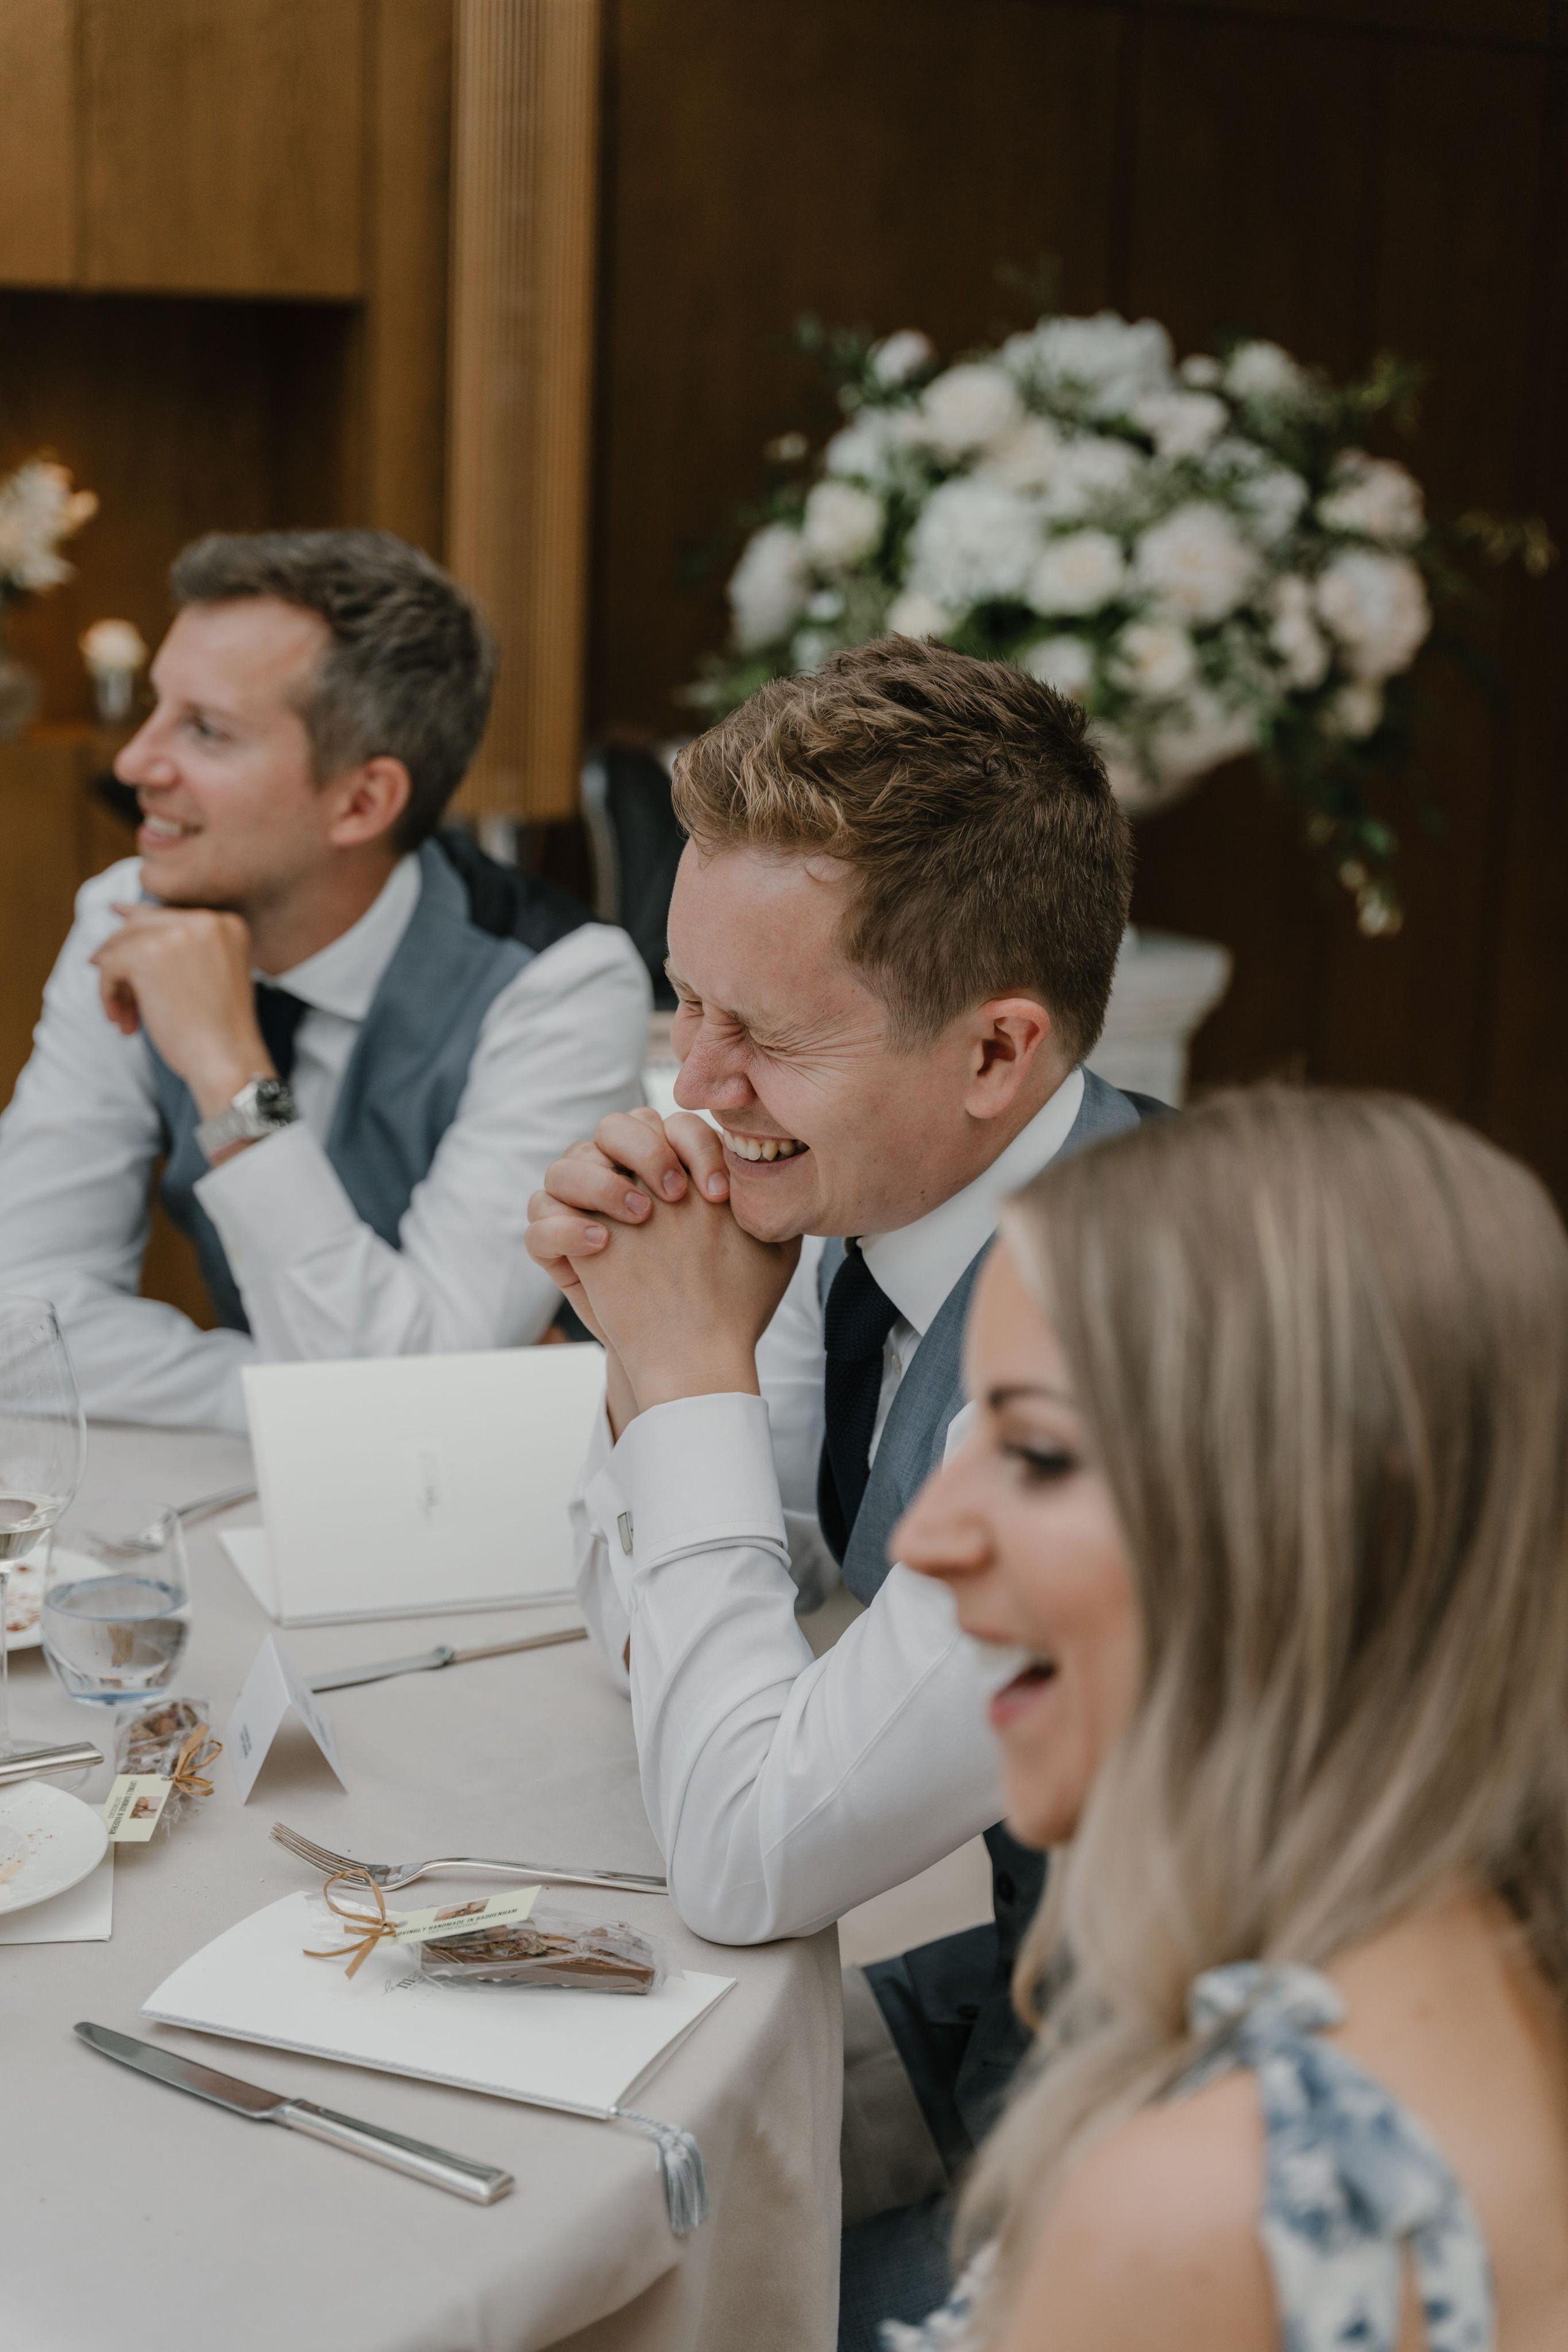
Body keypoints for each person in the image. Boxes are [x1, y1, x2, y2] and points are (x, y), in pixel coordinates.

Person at [524, 637, 1151, 2337]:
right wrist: (650, 1347)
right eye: (687, 1003)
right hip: (1000, 1992)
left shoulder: (1113, 1336)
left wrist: (685, 1376)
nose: (694, 1088)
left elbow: (745, 1850)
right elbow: (655, 1633)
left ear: (996, 1053)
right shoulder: (862, 1187)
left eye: (764, 1035)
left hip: (1151, 2125)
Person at [891, 1085, 1568, 2352]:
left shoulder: (1201, 2211)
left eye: (1034, 1454)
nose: (924, 1541)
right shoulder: (1507, 1972)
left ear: (1307, 1525)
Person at [0, 529, 649, 1432]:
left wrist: (233, 1077)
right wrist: (301, 1392)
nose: (135, 764)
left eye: (205, 730)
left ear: (362, 802)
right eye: (157, 708)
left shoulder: (556, 987)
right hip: (251, 1485)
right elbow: (19, 1330)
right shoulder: (129, 918)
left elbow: (421, 1400)